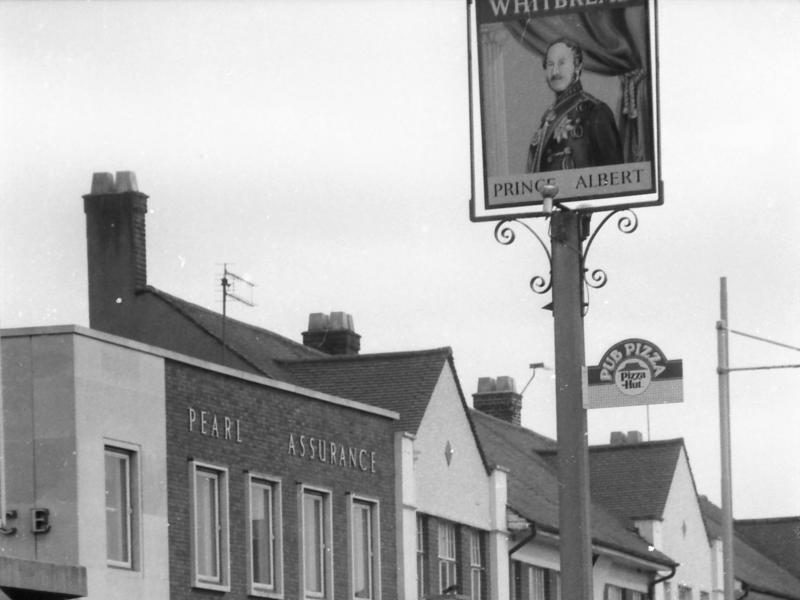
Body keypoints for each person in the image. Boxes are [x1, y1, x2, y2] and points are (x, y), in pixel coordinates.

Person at [526, 38, 623, 173]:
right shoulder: (547, 117)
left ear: (577, 67)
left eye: (562, 63)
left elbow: (614, 175)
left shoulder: (595, 112)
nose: (555, 72)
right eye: (550, 64)